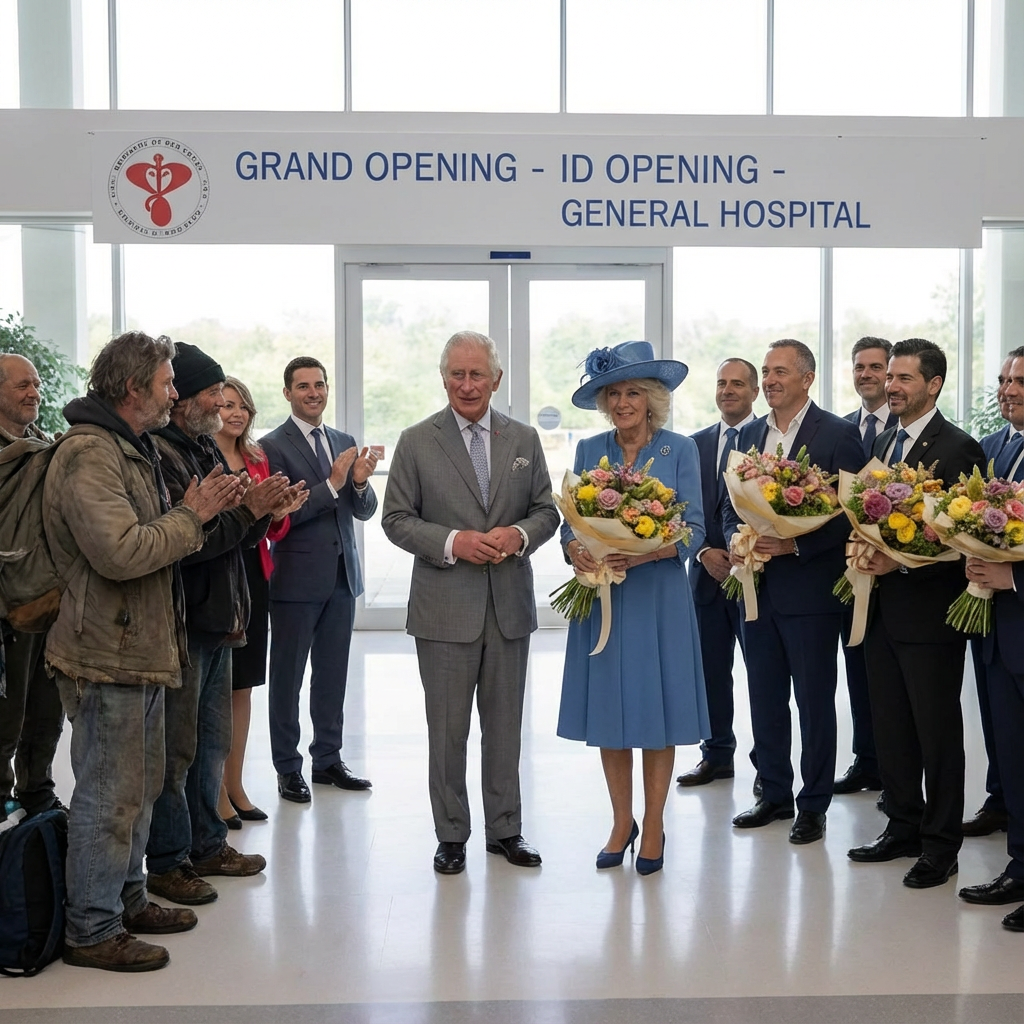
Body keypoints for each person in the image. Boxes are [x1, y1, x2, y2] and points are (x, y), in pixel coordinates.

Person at [44, 331, 242, 971]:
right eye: (165, 383)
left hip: (144, 646)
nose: (174, 392)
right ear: (132, 389)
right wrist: (193, 514)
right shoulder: (88, 456)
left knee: (141, 784)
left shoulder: (126, 448)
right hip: (106, 652)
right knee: (108, 794)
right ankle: (92, 929)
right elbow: (122, 551)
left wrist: (198, 513)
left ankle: (128, 900)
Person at [382, 331, 558, 876]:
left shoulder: (524, 439)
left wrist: (519, 536)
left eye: (476, 374)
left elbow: (547, 511)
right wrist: (454, 542)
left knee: (505, 727)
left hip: (508, 608)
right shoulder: (416, 441)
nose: (466, 384)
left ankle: (506, 829)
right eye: (456, 374)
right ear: (443, 378)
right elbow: (395, 519)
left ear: (496, 379)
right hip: (443, 609)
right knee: (448, 730)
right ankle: (451, 834)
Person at [145, 344, 300, 906]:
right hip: (186, 620)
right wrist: (245, 513)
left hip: (219, 618)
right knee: (177, 749)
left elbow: (227, 535)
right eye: (211, 391)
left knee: (211, 743)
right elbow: (189, 544)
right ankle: (167, 860)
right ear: (180, 395)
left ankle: (207, 843)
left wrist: (261, 512)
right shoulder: (160, 453)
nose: (219, 400)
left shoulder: (200, 448)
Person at [558, 341, 707, 875]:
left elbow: (695, 531)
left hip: (658, 597)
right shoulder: (588, 450)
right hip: (603, 599)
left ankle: (655, 822)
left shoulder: (680, 451)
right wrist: (574, 548)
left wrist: (648, 552)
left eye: (633, 392)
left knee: (656, 712)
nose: (623, 402)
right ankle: (622, 822)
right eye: (614, 393)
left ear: (652, 400)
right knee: (611, 713)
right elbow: (568, 521)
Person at [848, 338, 985, 889]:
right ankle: (900, 825)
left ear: (934, 385)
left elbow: (957, 541)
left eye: (905, 378)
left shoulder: (959, 448)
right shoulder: (884, 440)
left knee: (936, 732)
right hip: (881, 611)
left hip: (930, 618)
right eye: (892, 378)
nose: (893, 386)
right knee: (892, 728)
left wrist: (898, 564)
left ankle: (940, 844)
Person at [724, 339, 863, 845]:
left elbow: (852, 514)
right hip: (755, 590)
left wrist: (794, 548)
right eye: (765, 372)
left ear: (807, 378)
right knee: (763, 697)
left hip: (811, 596)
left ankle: (814, 804)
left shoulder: (840, 436)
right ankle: (774, 793)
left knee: (813, 701)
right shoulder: (753, 434)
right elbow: (728, 502)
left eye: (780, 372)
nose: (769, 381)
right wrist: (737, 542)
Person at [261, 357, 378, 803]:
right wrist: (331, 485)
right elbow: (281, 515)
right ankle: (288, 768)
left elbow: (361, 511)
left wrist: (361, 485)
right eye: (303, 386)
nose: (313, 392)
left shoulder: (345, 441)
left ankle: (328, 760)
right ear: (288, 392)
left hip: (342, 577)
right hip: (294, 580)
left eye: (320, 385)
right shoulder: (271, 446)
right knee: (287, 678)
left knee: (333, 676)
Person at [214, 377, 304, 828]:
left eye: (242, 406)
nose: (235, 413)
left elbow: (271, 532)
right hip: (215, 576)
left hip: (253, 576)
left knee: (243, 687)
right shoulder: (202, 457)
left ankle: (236, 785)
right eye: (226, 405)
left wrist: (279, 514)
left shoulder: (256, 458)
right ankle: (214, 795)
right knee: (215, 689)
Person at [677, 357, 760, 788]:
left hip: (756, 576)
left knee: (764, 675)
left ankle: (768, 765)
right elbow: (683, 512)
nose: (728, 390)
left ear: (755, 392)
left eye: (738, 384)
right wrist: (705, 551)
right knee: (710, 671)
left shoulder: (770, 442)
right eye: (722, 383)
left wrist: (743, 553)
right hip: (706, 576)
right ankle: (717, 754)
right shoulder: (695, 445)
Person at [962, 346, 1024, 840]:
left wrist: (1014, 579)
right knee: (1006, 739)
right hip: (996, 630)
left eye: (1020, 381)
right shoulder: (993, 446)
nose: (1009, 390)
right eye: (1005, 380)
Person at [0, 354, 64, 819]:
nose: (33, 392)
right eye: (23, 385)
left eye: (36, 384)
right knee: (7, 713)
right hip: (6, 604)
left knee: (47, 708)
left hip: (50, 600)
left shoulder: (46, 448)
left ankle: (37, 789)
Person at [834, 337, 897, 796]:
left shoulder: (908, 428)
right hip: (847, 572)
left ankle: (896, 769)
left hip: (898, 572)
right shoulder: (840, 430)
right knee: (857, 667)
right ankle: (866, 760)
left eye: (877, 367)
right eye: (860, 367)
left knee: (894, 681)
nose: (867, 374)